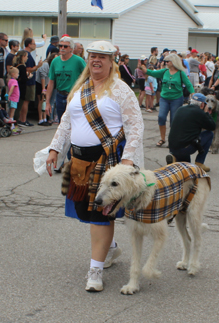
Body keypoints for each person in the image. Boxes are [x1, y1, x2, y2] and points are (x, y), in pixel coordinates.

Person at [46, 40, 144, 292]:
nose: (96, 60)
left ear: (112, 62)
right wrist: (54, 149)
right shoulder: (80, 90)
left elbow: (135, 127)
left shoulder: (121, 90)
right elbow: (66, 123)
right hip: (79, 162)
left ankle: (95, 272)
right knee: (87, 214)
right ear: (87, 59)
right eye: (92, 56)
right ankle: (111, 248)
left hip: (107, 162)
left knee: (100, 216)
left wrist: (127, 160)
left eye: (102, 56)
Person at [140, 53, 194, 147]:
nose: (166, 63)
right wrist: (144, 69)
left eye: (168, 61)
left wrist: (193, 94)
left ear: (173, 62)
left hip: (176, 99)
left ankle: (172, 140)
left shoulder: (181, 73)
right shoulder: (164, 71)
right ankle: (162, 139)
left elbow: (188, 84)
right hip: (164, 98)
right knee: (161, 117)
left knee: (174, 120)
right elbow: (153, 73)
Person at [166, 93, 215, 172]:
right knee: (209, 134)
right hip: (185, 149)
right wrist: (207, 113)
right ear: (202, 104)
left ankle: (174, 157)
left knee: (185, 165)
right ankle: (199, 162)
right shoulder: (200, 113)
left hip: (172, 146)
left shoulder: (181, 109)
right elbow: (212, 126)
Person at [45, 36, 86, 123]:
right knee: (62, 122)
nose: (62, 48)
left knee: (74, 122)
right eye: (60, 46)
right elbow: (51, 82)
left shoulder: (78, 61)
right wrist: (47, 102)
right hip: (60, 95)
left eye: (65, 46)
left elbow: (88, 76)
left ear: (71, 48)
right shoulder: (55, 61)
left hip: (73, 95)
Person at [16, 38, 43, 127]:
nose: (35, 45)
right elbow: (28, 69)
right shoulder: (26, 54)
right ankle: (23, 119)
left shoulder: (29, 54)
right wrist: (38, 66)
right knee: (26, 101)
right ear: (29, 44)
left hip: (30, 81)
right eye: (33, 43)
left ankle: (22, 119)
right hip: (28, 82)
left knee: (26, 101)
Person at [35, 52, 54, 126]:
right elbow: (42, 76)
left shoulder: (53, 65)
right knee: (41, 100)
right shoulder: (45, 64)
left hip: (46, 83)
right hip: (40, 83)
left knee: (45, 101)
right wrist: (43, 89)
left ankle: (45, 118)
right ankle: (40, 119)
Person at [7, 66, 20, 133]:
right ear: (13, 74)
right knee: (12, 113)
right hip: (14, 99)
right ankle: (12, 126)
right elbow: (12, 88)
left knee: (10, 113)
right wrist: (9, 95)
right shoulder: (14, 81)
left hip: (13, 99)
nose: (18, 75)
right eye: (17, 73)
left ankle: (11, 125)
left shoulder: (10, 81)